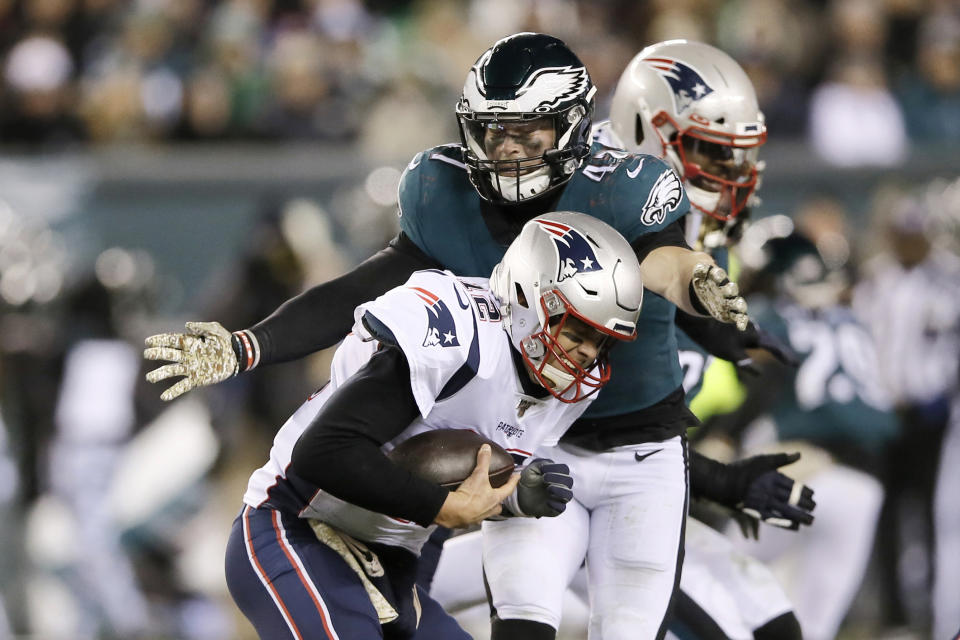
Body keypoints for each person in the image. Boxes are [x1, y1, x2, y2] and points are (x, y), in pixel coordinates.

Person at [145, 33, 802, 639]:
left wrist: (698, 289)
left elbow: (663, 265)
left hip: (506, 484)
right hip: (351, 505)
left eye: (527, 132)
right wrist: (247, 346)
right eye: (493, 132)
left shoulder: (580, 367)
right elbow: (353, 326)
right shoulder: (457, 316)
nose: (506, 149)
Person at [223, 211, 643, 639]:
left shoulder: (565, 387)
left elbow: (453, 474)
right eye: (576, 331)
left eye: (600, 340)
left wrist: (513, 494)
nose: (588, 354)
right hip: (297, 527)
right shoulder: (461, 335)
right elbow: (323, 451)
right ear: (528, 298)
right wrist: (443, 508)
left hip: (392, 566)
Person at [707, 221, 898, 640]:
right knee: (816, 625)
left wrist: (726, 434)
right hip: (867, 482)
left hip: (805, 467)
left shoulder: (777, 317)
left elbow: (765, 374)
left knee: (719, 586)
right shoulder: (854, 320)